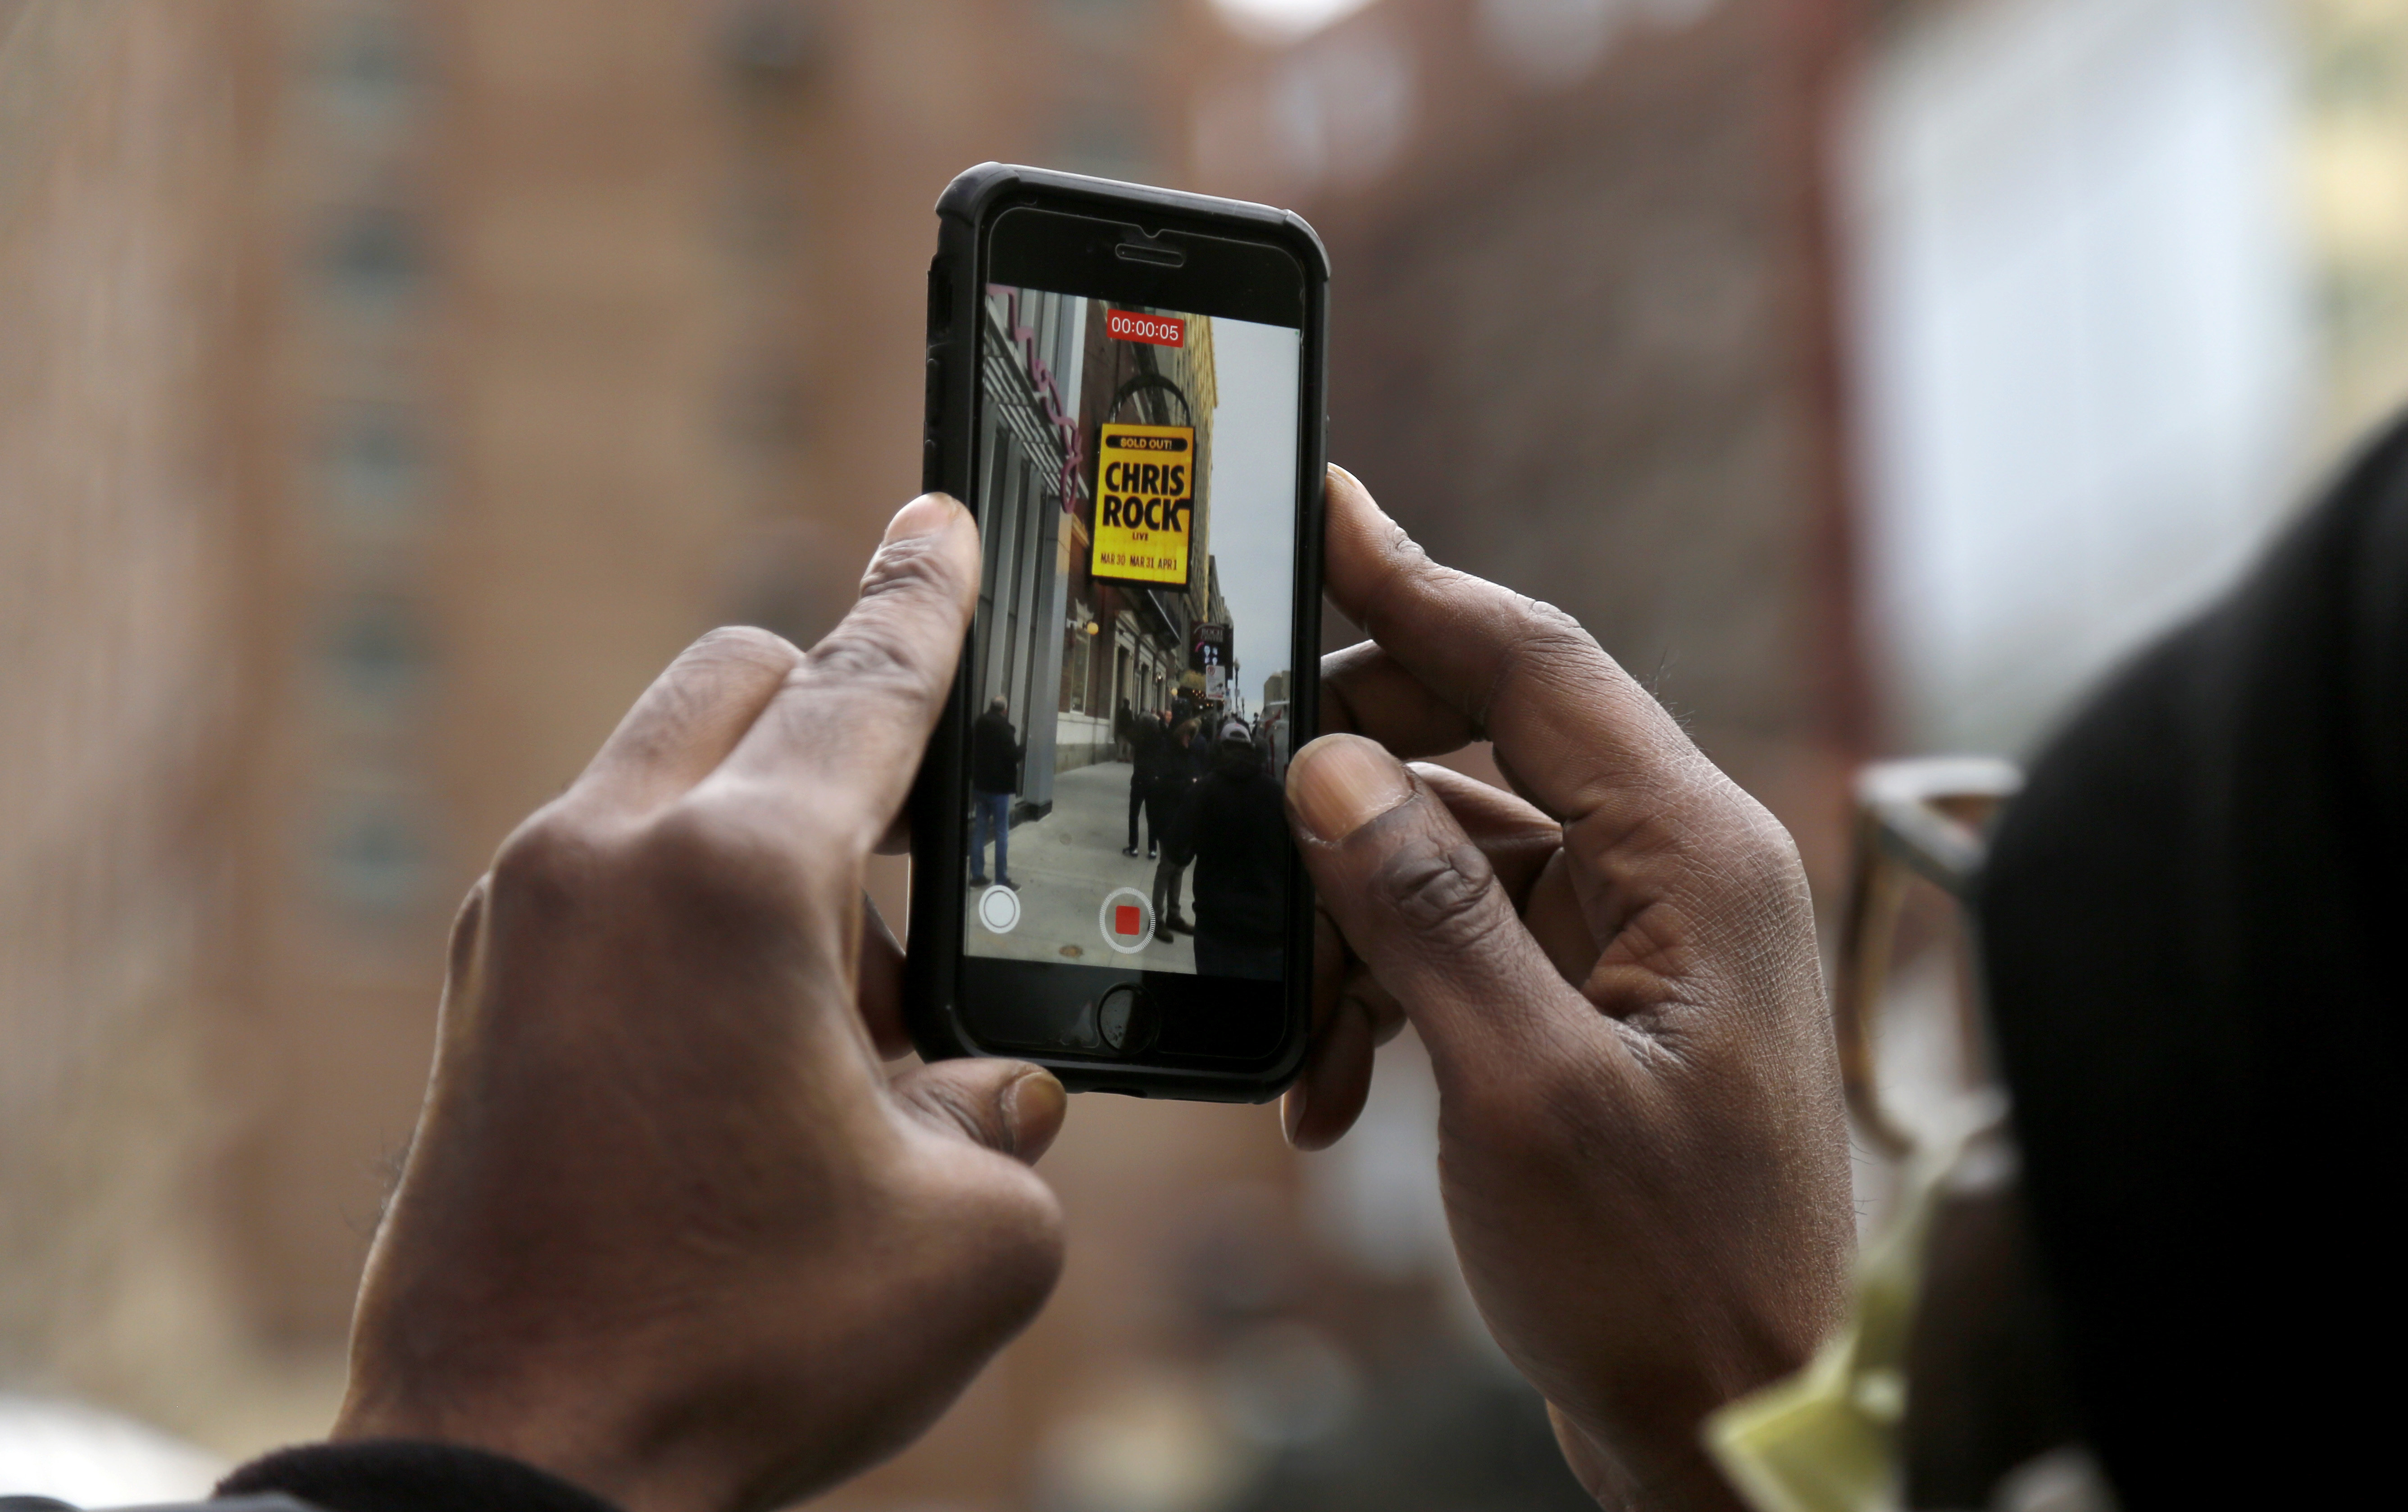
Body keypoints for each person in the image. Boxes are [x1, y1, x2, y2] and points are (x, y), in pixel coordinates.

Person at [1163, 716, 1288, 977]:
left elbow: (1176, 849)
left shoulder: (1205, 791)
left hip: (1216, 930)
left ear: (1218, 749)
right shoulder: (1277, 794)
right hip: (1268, 934)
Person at [1146, 718, 1204, 940]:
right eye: (1188, 735)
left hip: (1183, 820)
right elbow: (1160, 786)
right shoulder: (1166, 754)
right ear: (1181, 735)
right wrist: (1188, 785)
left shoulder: (1189, 755)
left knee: (1179, 867)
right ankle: (1157, 919)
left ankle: (1174, 914)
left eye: (1193, 735)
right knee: (1167, 867)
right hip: (1166, 819)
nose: (1190, 739)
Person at [968, 694, 1017, 889]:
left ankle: (977, 876)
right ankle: (1001, 878)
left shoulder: (979, 723)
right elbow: (1012, 755)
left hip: (980, 786)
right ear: (1004, 710)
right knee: (1001, 833)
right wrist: (1023, 749)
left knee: (980, 830)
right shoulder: (1005, 727)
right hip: (998, 789)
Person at [1122, 706, 1166, 859]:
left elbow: (1129, 731)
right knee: (1152, 816)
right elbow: (1167, 733)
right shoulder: (1159, 739)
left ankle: (1134, 846)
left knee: (1134, 814)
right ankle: (1152, 849)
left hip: (1139, 778)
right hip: (1153, 779)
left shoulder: (1139, 738)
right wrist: (1160, 721)